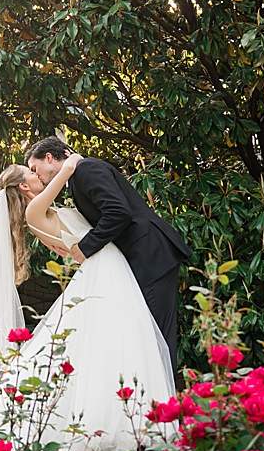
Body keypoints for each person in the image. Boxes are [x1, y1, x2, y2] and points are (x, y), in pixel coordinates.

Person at [0, 157, 174, 451]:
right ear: (24, 186)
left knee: (113, 344)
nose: (37, 176)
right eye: (31, 173)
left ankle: (133, 417)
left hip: (106, 265)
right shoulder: (35, 210)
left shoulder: (42, 211)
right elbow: (66, 173)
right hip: (104, 268)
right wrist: (70, 161)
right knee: (119, 340)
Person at [26, 137, 190, 369]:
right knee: (146, 335)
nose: (37, 175)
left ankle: (164, 402)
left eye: (35, 168)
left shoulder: (86, 169)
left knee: (156, 337)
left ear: (50, 158)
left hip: (149, 255)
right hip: (138, 257)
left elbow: (118, 212)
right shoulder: (75, 178)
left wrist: (84, 247)